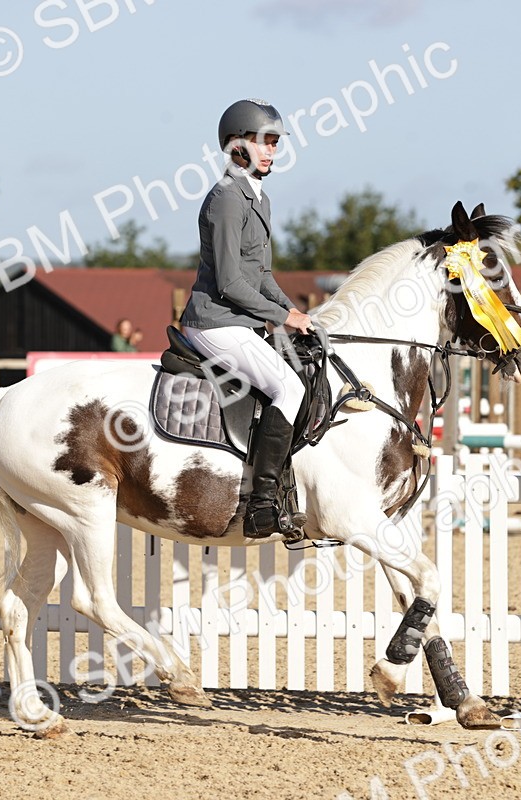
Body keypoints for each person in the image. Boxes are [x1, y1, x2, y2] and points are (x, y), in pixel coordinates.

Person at [178, 98, 313, 538]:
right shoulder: (225, 200)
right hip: (213, 321)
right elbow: (231, 283)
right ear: (237, 147)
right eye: (264, 142)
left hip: (241, 321)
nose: (272, 151)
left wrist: (293, 311)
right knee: (288, 386)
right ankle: (261, 504)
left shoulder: (260, 199)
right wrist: (280, 318)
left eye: (275, 142)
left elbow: (264, 274)